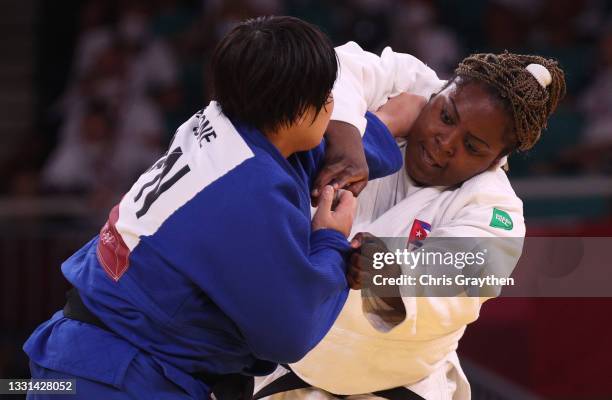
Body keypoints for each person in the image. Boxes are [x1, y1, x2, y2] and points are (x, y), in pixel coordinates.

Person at [23, 18, 405, 400]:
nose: (445, 143)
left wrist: (379, 261)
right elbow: (291, 331)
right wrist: (337, 248)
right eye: (446, 120)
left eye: (467, 143)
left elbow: (391, 116)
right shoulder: (254, 184)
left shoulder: (224, 122)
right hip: (121, 376)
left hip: (80, 358)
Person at [255, 42, 566, 399]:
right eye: (446, 116)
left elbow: (462, 278)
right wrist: (350, 138)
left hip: (394, 384)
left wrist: (386, 270)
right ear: (439, 91)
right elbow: (325, 70)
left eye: (474, 147)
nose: (446, 142)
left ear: (498, 159)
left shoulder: (495, 208)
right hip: (288, 367)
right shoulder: (407, 84)